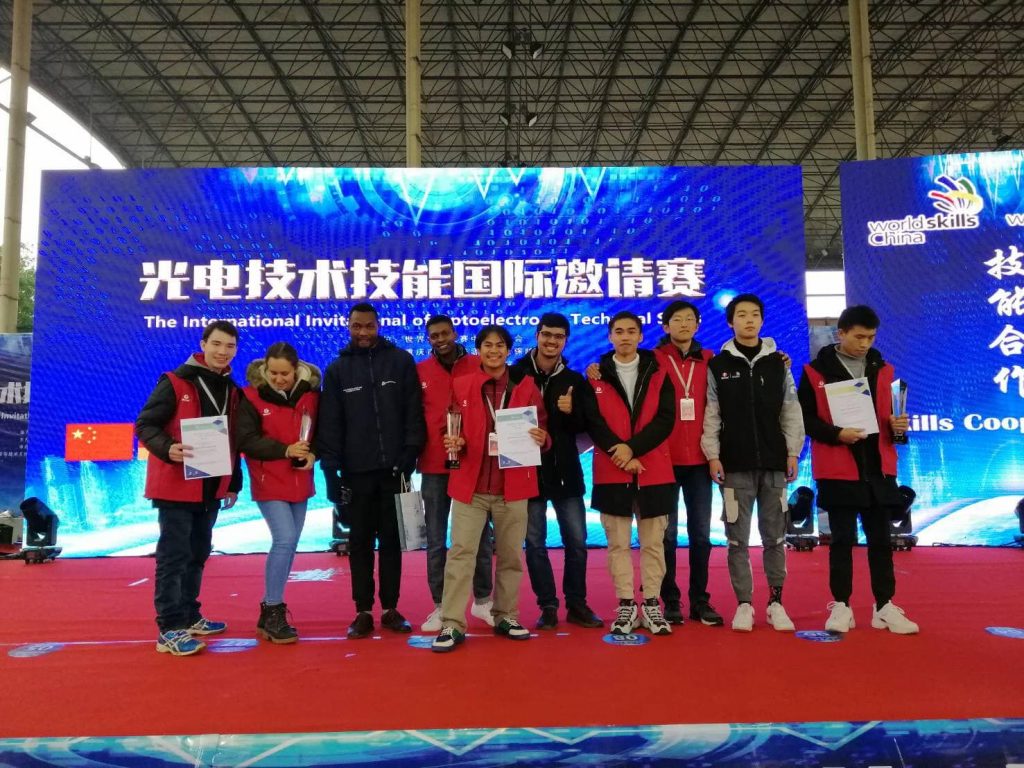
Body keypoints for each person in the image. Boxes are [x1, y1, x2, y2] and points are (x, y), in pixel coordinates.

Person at [797, 305, 919, 634]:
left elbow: (893, 420)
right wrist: (836, 434)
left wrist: (898, 425)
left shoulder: (885, 370)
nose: (865, 343)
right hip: (838, 467)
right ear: (841, 333)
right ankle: (841, 605)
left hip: (879, 468)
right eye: (859, 337)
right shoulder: (815, 372)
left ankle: (884, 606)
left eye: (871, 337)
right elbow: (804, 419)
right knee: (841, 540)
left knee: (881, 540)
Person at [432, 325, 549, 652]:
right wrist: (454, 440)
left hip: (513, 486)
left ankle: (506, 616)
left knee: (511, 556)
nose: (493, 350)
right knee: (460, 555)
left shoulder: (525, 386)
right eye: (487, 345)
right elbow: (449, 426)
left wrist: (543, 438)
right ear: (478, 350)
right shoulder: (463, 384)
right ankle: (452, 623)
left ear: (509, 351)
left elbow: (543, 426)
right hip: (470, 487)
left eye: (499, 345)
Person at [316, 303, 426, 640]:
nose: (363, 332)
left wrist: (410, 453)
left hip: (395, 471)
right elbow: (330, 424)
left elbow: (413, 411)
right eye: (357, 326)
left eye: (368, 326)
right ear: (348, 327)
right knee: (359, 543)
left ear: (378, 325)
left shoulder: (401, 361)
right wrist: (331, 473)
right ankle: (362, 611)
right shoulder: (337, 369)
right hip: (356, 474)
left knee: (392, 543)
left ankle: (391, 609)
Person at [135, 320, 242, 657]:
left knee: (198, 553)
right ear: (203, 344)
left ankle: (190, 615)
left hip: (211, 485)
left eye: (230, 346)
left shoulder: (232, 389)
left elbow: (234, 440)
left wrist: (233, 483)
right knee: (174, 557)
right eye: (217, 344)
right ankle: (169, 629)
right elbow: (145, 424)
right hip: (175, 486)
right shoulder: (174, 381)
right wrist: (167, 448)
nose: (222, 352)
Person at [701, 293, 805, 633]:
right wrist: (713, 455)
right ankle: (744, 604)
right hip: (734, 465)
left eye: (755, 314)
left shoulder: (778, 363)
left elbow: (791, 410)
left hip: (775, 464)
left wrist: (792, 452)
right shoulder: (718, 366)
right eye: (742, 314)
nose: (749, 320)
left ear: (762, 320)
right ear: (730, 322)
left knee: (775, 537)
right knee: (737, 540)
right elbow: (712, 414)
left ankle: (776, 602)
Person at [583, 311, 676, 637]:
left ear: (640, 336)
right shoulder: (595, 375)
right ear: (610, 336)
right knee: (618, 544)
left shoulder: (660, 372)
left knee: (654, 544)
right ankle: (626, 604)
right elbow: (594, 423)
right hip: (611, 472)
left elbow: (665, 419)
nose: (625, 336)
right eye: (619, 331)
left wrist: (632, 449)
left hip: (654, 470)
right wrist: (621, 455)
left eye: (631, 331)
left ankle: (651, 604)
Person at [510, 312, 603, 630]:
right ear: (537, 335)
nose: (552, 341)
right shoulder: (515, 375)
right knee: (534, 544)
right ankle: (547, 605)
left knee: (577, 542)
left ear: (566, 341)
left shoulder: (575, 380)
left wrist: (571, 412)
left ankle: (577, 604)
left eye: (559, 337)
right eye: (547, 334)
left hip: (567, 471)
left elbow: (587, 427)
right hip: (527, 473)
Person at [236, 342, 320, 644]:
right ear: (265, 369)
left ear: (296, 370)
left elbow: (322, 434)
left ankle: (268, 612)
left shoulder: (312, 396)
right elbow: (246, 440)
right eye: (273, 373)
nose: (278, 379)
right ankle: (273, 608)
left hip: (301, 481)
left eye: (285, 373)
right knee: (284, 539)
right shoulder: (250, 397)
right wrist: (285, 450)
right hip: (268, 480)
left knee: (290, 543)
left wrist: (314, 455)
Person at [416, 315, 495, 632]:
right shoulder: (420, 371)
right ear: (428, 339)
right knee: (436, 539)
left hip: (472, 463)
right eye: (434, 335)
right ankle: (441, 606)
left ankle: (483, 601)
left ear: (455, 333)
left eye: (445, 333)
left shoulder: (478, 364)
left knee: (480, 537)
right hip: (433, 465)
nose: (440, 339)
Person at [653, 301, 724, 627]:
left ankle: (700, 600)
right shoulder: (652, 359)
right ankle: (670, 600)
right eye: (677, 320)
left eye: (689, 319)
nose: (683, 324)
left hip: (699, 461)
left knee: (700, 535)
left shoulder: (710, 360)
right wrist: (595, 368)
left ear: (697, 325)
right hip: (663, 460)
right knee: (666, 536)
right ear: (665, 326)